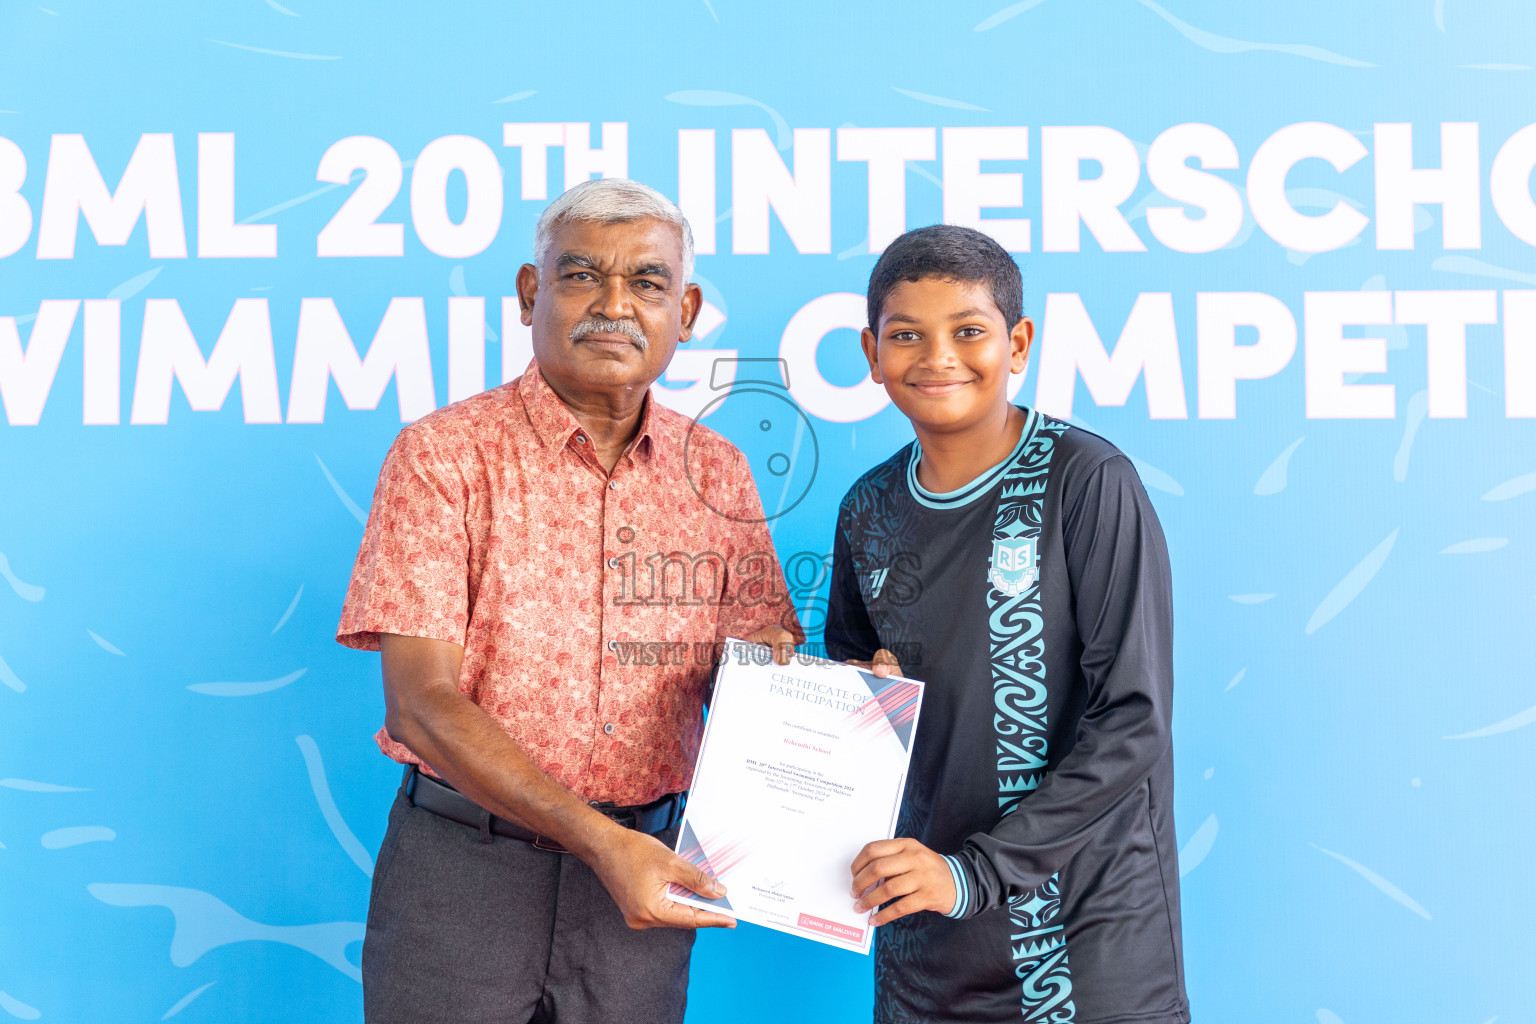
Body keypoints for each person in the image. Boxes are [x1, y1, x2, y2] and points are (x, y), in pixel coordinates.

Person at [336, 177, 803, 1024]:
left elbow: (755, 677)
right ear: (529, 293)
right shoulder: (443, 456)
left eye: (648, 283)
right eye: (583, 276)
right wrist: (601, 842)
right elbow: (422, 706)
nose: (615, 305)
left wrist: (842, 706)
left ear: (687, 310)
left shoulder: (721, 473)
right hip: (462, 876)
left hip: (643, 887)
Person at [826, 225, 1188, 1024]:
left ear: (1017, 342)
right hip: (926, 942)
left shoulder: (1087, 481)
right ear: (870, 352)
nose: (937, 357)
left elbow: (1133, 719)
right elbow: (854, 701)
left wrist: (976, 874)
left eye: (968, 331)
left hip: (1084, 945)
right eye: (907, 335)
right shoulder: (867, 511)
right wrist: (846, 704)